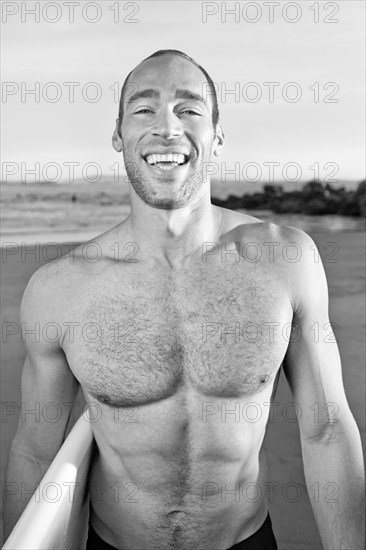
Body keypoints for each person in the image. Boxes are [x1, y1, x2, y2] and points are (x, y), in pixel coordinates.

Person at [4, 49, 364, 550]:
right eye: (144, 109)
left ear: (217, 135)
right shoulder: (60, 291)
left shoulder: (286, 263)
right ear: (118, 134)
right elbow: (35, 450)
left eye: (189, 109)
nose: (167, 128)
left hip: (245, 540)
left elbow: (326, 428)